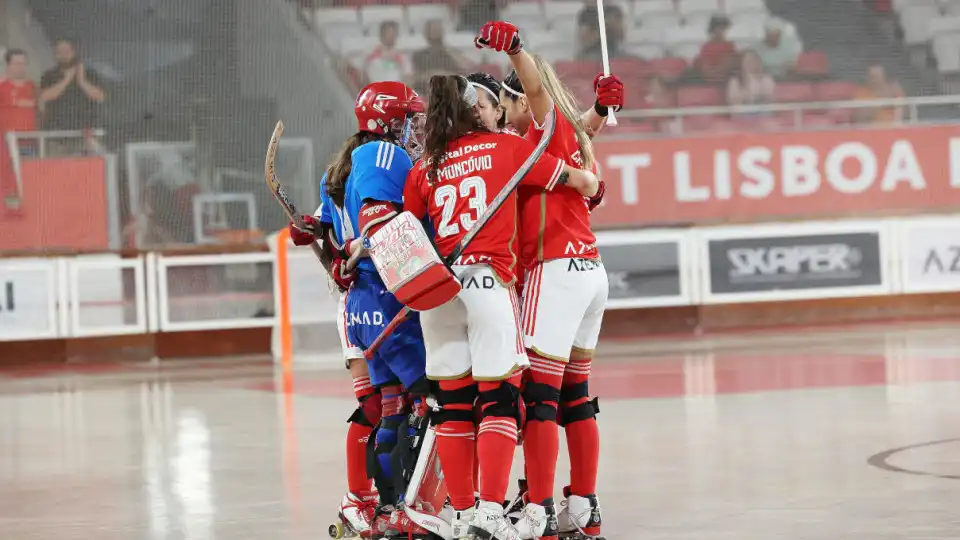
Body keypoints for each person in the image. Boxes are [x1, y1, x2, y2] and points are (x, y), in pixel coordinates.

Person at [402, 74, 599, 540]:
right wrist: (590, 181)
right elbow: (572, 174)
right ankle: (491, 512)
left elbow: (406, 233)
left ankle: (464, 511)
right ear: (479, 111)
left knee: (452, 406)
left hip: (438, 291)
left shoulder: (424, 166)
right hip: (489, 286)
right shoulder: (506, 149)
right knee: (500, 401)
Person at [478, 21, 611, 540]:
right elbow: (580, 130)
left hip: (553, 271)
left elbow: (534, 91)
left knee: (539, 398)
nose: (506, 114)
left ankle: (541, 513)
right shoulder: (566, 134)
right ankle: (584, 505)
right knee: (577, 396)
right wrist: (598, 113)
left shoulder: (536, 126)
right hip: (590, 269)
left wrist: (514, 49)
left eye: (505, 103)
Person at [286, 80, 430, 538]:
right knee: (398, 404)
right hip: (378, 295)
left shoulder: (347, 169)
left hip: (358, 302)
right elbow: (365, 232)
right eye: (408, 118)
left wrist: (333, 254)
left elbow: (335, 243)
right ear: (389, 121)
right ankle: (378, 502)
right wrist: (334, 252)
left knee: (386, 406)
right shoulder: (383, 160)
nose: (415, 128)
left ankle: (379, 504)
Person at [40, 39, 106, 131]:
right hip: (55, 130)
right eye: (59, 52)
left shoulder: (89, 73)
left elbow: (100, 96)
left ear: (74, 52)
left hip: (84, 131)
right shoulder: (49, 75)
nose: (63, 55)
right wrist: (66, 79)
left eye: (66, 51)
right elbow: (44, 97)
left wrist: (82, 81)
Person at [412, 20, 474, 93]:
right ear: (426, 33)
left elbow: (465, 68)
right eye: (432, 30)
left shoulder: (452, 52)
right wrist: (430, 75)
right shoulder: (419, 55)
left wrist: (443, 74)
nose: (435, 32)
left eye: (437, 30)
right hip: (426, 90)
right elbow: (413, 77)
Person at [0, 49, 38, 142]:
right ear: (8, 65)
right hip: (5, 143)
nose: (21, 67)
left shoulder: (32, 86)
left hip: (30, 142)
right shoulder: (1, 85)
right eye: (17, 64)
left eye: (24, 64)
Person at [694, 15, 736, 84]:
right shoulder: (705, 47)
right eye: (720, 28)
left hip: (726, 80)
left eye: (724, 29)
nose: (722, 31)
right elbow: (704, 65)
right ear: (713, 29)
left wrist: (720, 71)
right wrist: (711, 72)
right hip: (708, 80)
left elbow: (729, 64)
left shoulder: (729, 46)